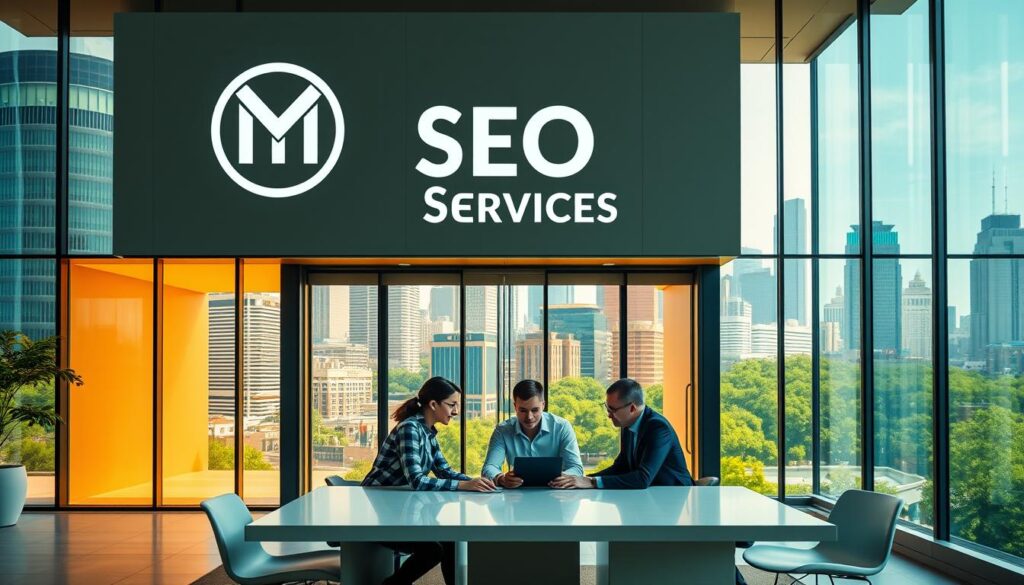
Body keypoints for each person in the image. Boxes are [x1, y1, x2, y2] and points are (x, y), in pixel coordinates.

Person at [362, 376, 496, 585]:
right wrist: (464, 485)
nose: (456, 411)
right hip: (379, 514)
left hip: (397, 509)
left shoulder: (427, 432)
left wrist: (478, 483)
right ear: (433, 404)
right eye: (452, 405)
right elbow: (417, 480)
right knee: (432, 550)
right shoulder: (410, 429)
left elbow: (444, 471)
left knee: (450, 541)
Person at [549, 378, 692, 489]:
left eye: (612, 410)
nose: (608, 415)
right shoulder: (628, 424)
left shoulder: (657, 428)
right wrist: (579, 480)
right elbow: (621, 467)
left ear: (632, 408)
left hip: (675, 497)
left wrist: (591, 482)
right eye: (607, 408)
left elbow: (643, 478)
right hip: (650, 496)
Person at [481, 379, 584, 488]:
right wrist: (500, 478)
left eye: (535, 410)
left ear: (543, 405)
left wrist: (562, 478)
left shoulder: (561, 427)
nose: (529, 417)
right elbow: (489, 468)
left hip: (557, 491)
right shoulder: (503, 430)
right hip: (516, 496)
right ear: (515, 406)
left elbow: (576, 468)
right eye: (523, 410)